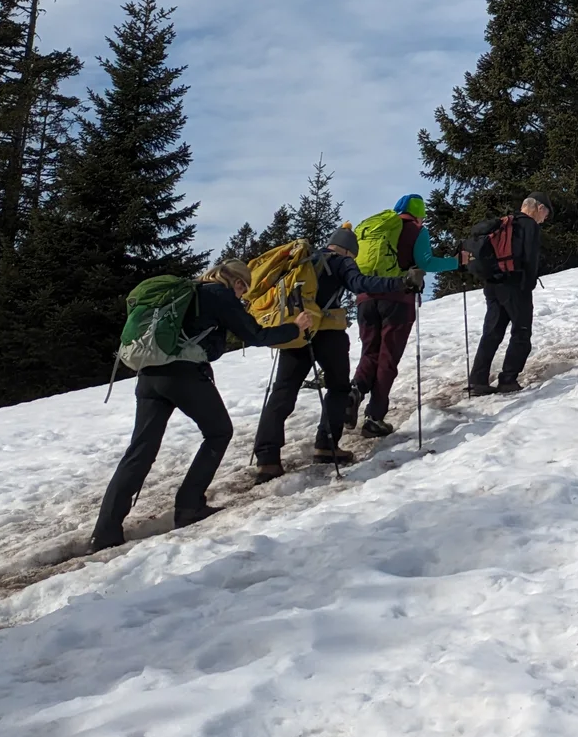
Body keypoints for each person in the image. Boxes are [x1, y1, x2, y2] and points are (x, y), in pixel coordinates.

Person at [90, 261, 313, 550]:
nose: (241, 295)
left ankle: (104, 531)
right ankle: (189, 505)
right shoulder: (218, 294)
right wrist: (294, 328)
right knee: (219, 432)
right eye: (243, 289)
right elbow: (255, 334)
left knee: (140, 450)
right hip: (183, 375)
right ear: (235, 281)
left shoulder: (186, 293)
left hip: (148, 375)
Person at [251, 226, 412, 479]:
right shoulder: (341, 262)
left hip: (297, 331)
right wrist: (400, 282)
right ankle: (326, 446)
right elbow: (361, 284)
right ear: (349, 250)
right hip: (328, 335)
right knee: (338, 388)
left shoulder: (303, 261)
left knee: (283, 391)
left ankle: (267, 458)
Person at [349, 193, 468, 437]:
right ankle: (374, 418)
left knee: (370, 352)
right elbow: (427, 262)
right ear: (419, 214)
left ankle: (354, 392)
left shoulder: (378, 229)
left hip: (366, 298)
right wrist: (457, 261)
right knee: (388, 357)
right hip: (397, 300)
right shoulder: (416, 230)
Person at [466, 195, 550, 396]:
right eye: (545, 214)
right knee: (521, 331)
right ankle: (508, 380)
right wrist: (528, 284)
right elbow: (530, 257)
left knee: (492, 332)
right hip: (514, 285)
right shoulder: (529, 225)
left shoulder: (504, 223)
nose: (544, 219)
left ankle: (477, 381)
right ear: (539, 207)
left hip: (492, 284)